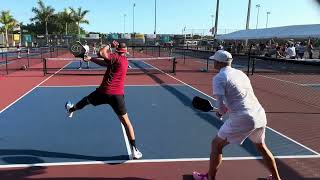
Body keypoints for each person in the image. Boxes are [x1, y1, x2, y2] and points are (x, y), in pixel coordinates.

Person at [192, 50, 281, 180]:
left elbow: (221, 107)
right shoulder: (240, 73)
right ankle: (276, 178)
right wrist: (224, 110)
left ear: (217, 62)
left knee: (216, 145)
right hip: (259, 114)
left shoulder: (219, 78)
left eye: (214, 61)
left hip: (243, 118)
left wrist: (220, 112)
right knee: (261, 146)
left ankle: (209, 178)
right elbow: (240, 96)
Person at [65, 42, 143, 160]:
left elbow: (101, 53)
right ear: (125, 51)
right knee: (127, 123)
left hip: (103, 92)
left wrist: (108, 44)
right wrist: (91, 58)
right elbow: (104, 62)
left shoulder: (115, 57)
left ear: (117, 50)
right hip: (117, 96)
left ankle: (71, 109)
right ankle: (135, 150)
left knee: (86, 101)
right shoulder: (123, 61)